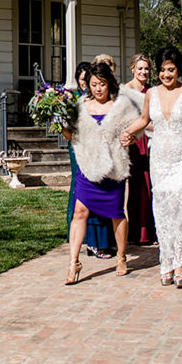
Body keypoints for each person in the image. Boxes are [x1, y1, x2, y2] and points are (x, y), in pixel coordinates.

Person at [122, 46, 182, 288]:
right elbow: (144, 121)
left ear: (179, 71)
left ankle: (181, 264)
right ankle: (167, 262)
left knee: (181, 212)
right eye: (163, 70)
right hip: (160, 160)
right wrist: (126, 131)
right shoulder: (151, 94)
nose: (166, 75)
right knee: (164, 213)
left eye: (171, 70)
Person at [64, 62, 142, 285]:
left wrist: (132, 137)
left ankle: (121, 256)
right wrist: (61, 127)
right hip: (87, 167)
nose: (98, 89)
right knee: (79, 212)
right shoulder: (79, 105)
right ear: (88, 85)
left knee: (117, 213)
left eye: (103, 84)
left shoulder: (121, 105)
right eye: (94, 84)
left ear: (110, 84)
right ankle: (73, 263)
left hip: (113, 168)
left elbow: (136, 128)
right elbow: (73, 137)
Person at [66, 61, 116, 258]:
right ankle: (88, 245)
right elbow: (72, 133)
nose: (94, 88)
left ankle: (109, 244)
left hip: (107, 158)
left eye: (99, 83)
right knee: (84, 203)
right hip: (85, 157)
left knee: (108, 202)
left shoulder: (113, 104)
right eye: (90, 83)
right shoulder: (79, 104)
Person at [122, 53, 157, 246]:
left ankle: (151, 231)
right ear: (132, 69)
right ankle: (136, 232)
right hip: (135, 141)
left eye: (146, 69)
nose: (143, 72)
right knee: (137, 187)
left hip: (152, 142)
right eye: (140, 68)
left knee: (151, 186)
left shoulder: (152, 91)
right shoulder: (125, 91)